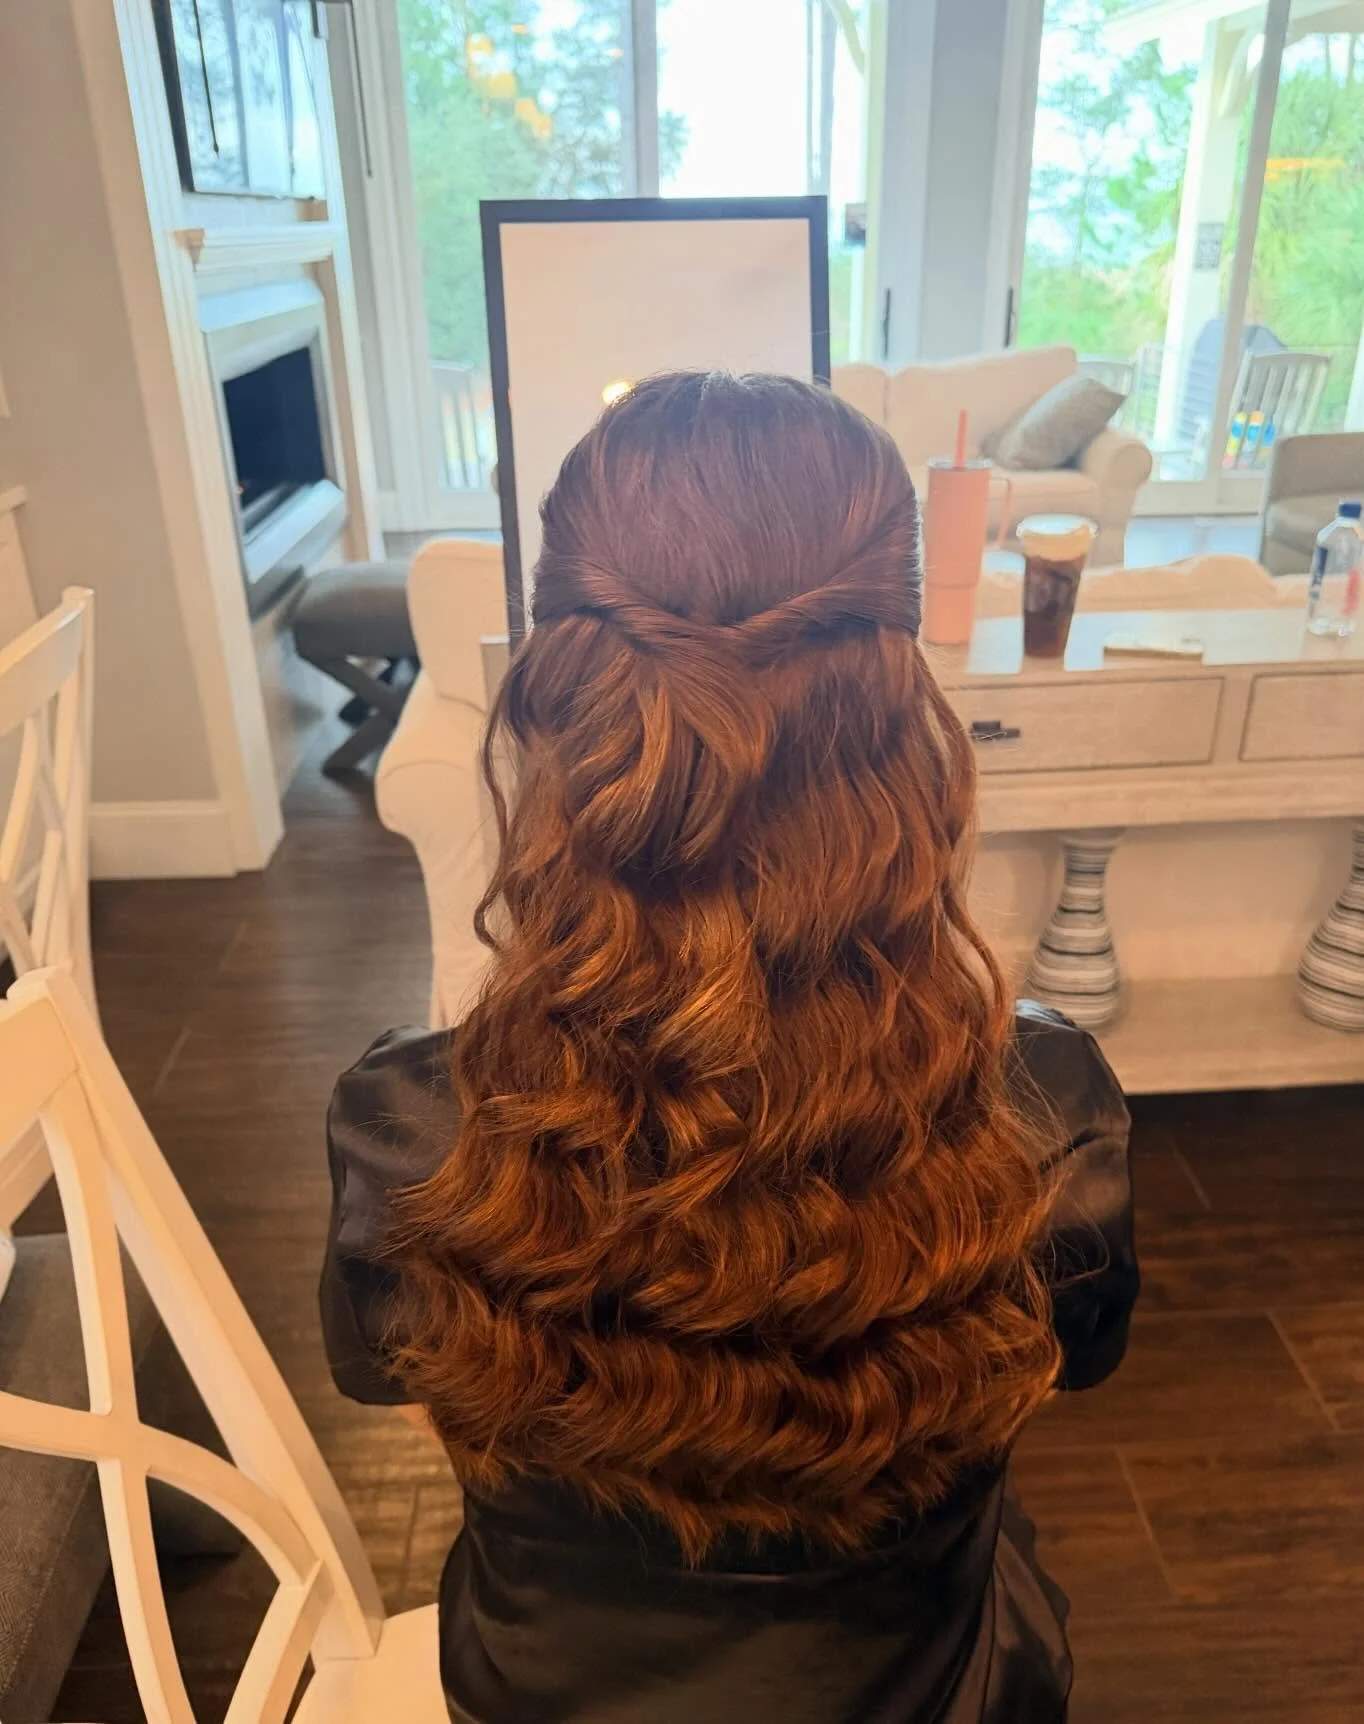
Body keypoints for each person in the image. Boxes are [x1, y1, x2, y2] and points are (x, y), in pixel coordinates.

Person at [321, 371, 1137, 1724]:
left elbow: (421, 1397)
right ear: (898, 712)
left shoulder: (408, 1127)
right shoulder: (1041, 1116)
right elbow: (1055, 1375)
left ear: (561, 704)